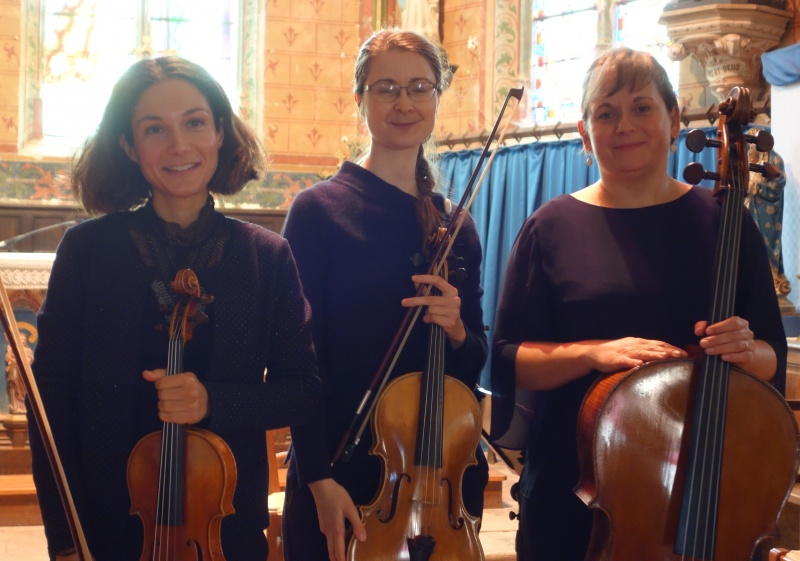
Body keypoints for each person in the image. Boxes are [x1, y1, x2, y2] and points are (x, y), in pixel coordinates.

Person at [491, 47, 786, 561]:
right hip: (577, 491)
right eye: (605, 113)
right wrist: (591, 354)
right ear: (585, 135)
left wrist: (745, 350)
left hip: (706, 485)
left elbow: (771, 359)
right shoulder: (550, 228)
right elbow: (510, 360)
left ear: (674, 121)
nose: (624, 125)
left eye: (642, 108)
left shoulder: (726, 223)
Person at [27, 56, 321, 561]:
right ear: (128, 145)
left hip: (222, 529)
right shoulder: (87, 250)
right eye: (154, 128)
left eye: (195, 122)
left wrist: (213, 403)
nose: (179, 145)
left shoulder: (266, 256)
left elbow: (303, 393)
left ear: (221, 132)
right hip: (105, 524)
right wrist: (65, 536)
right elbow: (49, 403)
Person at [281, 28, 489, 561]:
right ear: (360, 99)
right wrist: (318, 480)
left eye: (420, 87)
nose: (404, 103)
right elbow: (294, 362)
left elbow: (475, 364)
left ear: (438, 97)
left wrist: (459, 329)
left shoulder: (456, 225)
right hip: (338, 477)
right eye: (386, 88)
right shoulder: (318, 211)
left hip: (438, 484)